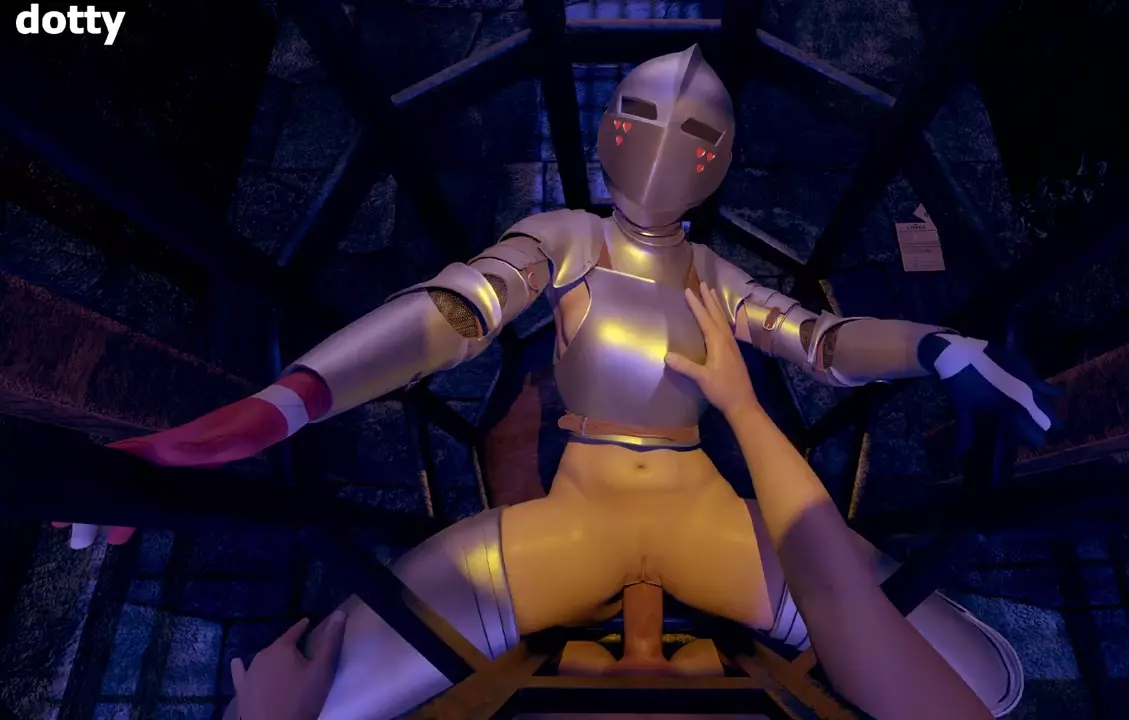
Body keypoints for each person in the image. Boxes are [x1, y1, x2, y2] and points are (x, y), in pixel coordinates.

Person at [61, 45, 1054, 719]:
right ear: (610, 130)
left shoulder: (715, 276)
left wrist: (931, 347)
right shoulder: (567, 239)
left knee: (987, 684)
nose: (666, 143)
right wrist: (282, 405)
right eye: (642, 115)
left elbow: (819, 340)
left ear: (721, 160)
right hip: (570, 524)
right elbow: (454, 311)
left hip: (710, 521)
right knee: (317, 701)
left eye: (696, 133)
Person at [226, 285, 997, 720]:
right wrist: (743, 406)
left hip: (580, 548)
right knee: (986, 683)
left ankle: (555, 468)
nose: (644, 630)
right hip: (698, 542)